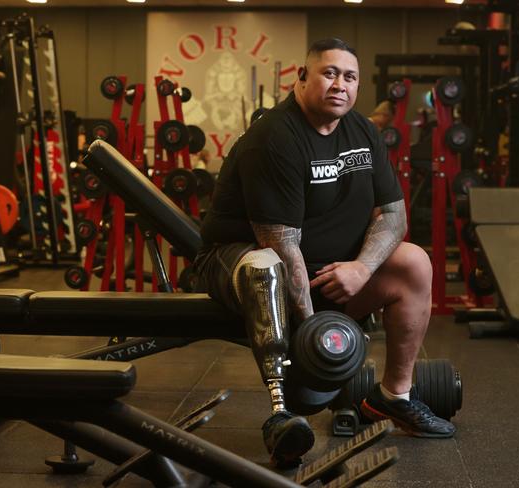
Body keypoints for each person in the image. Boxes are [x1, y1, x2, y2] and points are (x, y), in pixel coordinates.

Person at [193, 38, 455, 468]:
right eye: (329, 73)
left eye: (349, 77)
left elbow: (392, 215)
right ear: (301, 77)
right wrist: (317, 342)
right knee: (268, 269)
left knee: (413, 262)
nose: (340, 85)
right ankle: (281, 413)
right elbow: (281, 243)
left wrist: (361, 268)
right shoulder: (274, 136)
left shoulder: (361, 130)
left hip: (335, 271)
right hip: (248, 264)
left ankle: (394, 396)